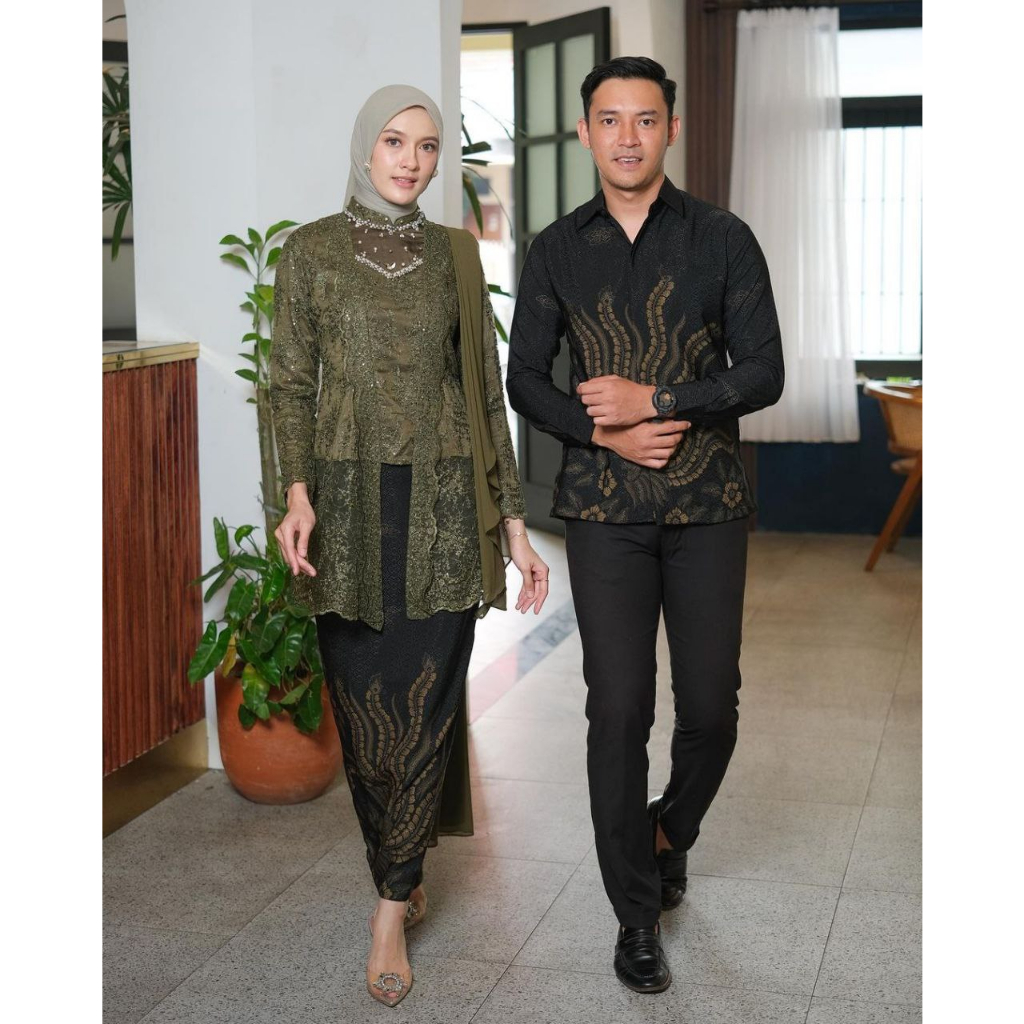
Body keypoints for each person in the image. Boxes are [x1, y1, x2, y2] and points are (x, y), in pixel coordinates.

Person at [506, 57, 784, 994]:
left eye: (646, 119)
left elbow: (765, 371)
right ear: (587, 131)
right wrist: (602, 430)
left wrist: (656, 399)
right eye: (610, 119)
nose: (627, 136)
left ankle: (670, 831)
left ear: (671, 128)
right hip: (603, 508)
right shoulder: (555, 248)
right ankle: (635, 915)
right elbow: (523, 378)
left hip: (708, 505)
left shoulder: (723, 238)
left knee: (711, 710)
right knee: (618, 708)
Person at [269, 84, 549, 1008]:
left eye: (428, 147)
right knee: (364, 722)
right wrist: (294, 495)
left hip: (442, 508)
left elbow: (484, 395)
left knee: (426, 710)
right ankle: (396, 859)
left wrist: (515, 527)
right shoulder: (308, 253)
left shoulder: (456, 255)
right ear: (366, 147)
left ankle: (391, 906)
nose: (412, 161)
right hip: (347, 512)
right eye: (395, 142)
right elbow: (288, 384)